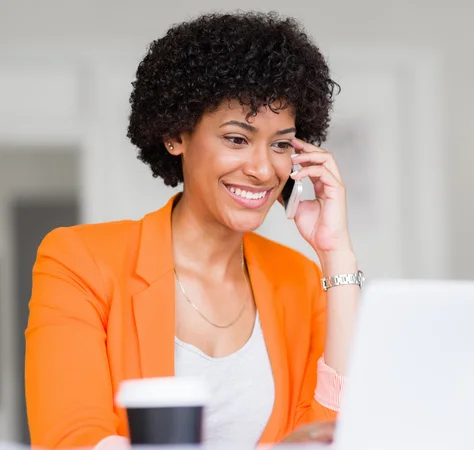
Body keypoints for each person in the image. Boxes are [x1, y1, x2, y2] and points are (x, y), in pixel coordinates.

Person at [25, 11, 363, 449]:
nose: (263, 169)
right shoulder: (79, 260)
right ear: (175, 134)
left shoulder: (299, 280)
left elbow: (336, 433)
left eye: (281, 144)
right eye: (236, 139)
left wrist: (336, 253)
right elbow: (71, 437)